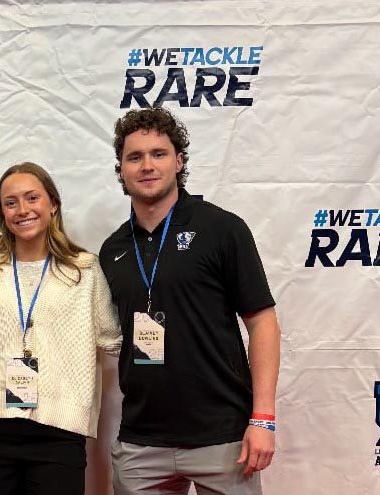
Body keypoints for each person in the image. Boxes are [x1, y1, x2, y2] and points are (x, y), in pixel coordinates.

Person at [99, 107, 280, 495]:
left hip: (223, 437)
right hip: (141, 441)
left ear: (179, 161)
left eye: (158, 154)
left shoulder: (222, 229)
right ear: (121, 170)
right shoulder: (112, 250)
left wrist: (262, 418)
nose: (147, 165)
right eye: (135, 157)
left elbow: (262, 322)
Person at [0, 162, 122, 495]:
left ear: (53, 204)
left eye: (32, 198)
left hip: (60, 429)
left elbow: (112, 339)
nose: (22, 210)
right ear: (1, 213)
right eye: (11, 202)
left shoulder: (84, 269)